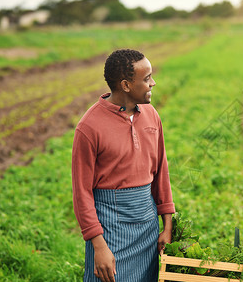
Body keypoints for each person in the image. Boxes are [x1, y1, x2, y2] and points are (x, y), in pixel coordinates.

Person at [72, 49, 175, 282]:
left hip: (147, 224)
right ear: (126, 85)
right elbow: (82, 193)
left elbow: (161, 174)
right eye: (147, 78)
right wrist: (99, 246)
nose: (153, 83)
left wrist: (167, 225)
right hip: (110, 229)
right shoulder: (89, 127)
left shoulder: (151, 115)